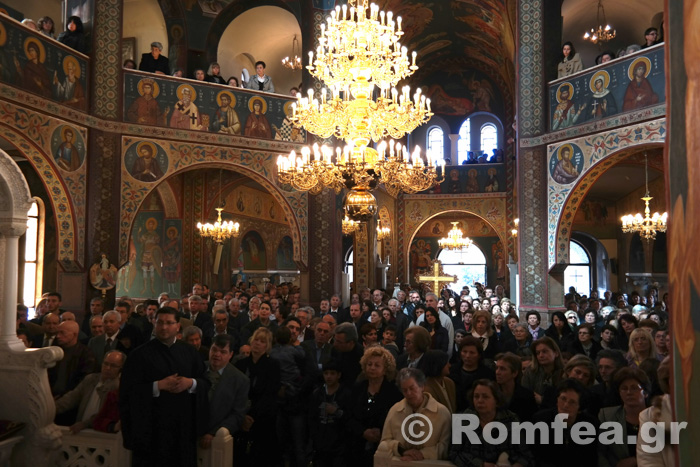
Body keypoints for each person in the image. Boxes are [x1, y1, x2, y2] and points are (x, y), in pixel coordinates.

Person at [119, 306, 210, 466]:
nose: (164, 327)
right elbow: (128, 392)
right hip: (152, 432)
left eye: (169, 323)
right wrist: (157, 386)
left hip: (183, 430)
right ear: (154, 324)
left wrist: (191, 383)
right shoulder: (139, 355)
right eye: (160, 322)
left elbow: (205, 381)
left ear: (178, 326)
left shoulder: (189, 352)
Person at [449, 379, 533, 466]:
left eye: (485, 397)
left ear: (496, 401)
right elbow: (454, 454)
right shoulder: (463, 420)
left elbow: (526, 456)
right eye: (476, 396)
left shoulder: (510, 420)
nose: (480, 401)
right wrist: (482, 464)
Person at [378, 368, 451, 461]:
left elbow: (445, 446)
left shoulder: (441, 412)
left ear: (422, 387)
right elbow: (384, 443)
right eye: (404, 390)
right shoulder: (395, 410)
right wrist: (402, 450)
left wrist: (422, 454)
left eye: (412, 388)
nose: (408, 393)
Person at [346, 346, 402, 466]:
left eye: (377, 365)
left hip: (383, 447)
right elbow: (348, 415)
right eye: (369, 364)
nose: (372, 368)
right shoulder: (358, 388)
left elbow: (397, 420)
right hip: (356, 445)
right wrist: (363, 431)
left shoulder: (393, 392)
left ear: (385, 369)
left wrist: (381, 432)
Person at [234, 328, 281, 466]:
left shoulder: (273, 365)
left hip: (263, 415)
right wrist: (243, 415)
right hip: (242, 413)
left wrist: (252, 416)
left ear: (267, 346)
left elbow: (270, 393)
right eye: (256, 340)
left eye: (262, 341)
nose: (257, 343)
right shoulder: (241, 363)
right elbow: (236, 391)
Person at [532, 379, 599, 467]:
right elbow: (538, 456)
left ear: (580, 407)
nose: (565, 405)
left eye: (572, 402)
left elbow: (590, 459)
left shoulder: (591, 424)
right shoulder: (541, 420)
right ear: (557, 399)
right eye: (563, 399)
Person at [55, 350, 125, 433]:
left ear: (121, 369)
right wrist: (52, 408)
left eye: (113, 366)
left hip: (101, 433)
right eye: (106, 363)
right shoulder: (91, 379)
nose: (108, 368)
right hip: (81, 431)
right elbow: (71, 398)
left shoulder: (118, 386)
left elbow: (104, 413)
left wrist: (85, 424)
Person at [202, 334, 250, 450]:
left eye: (223, 352)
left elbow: (238, 414)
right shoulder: (198, 369)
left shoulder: (240, 380)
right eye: (214, 350)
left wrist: (214, 432)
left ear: (231, 355)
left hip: (219, 439)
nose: (217, 355)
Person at [598, 367, 650, 467]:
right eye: (624, 388)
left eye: (634, 388)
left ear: (646, 393)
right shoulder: (607, 416)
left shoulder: (657, 416)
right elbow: (600, 453)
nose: (629, 392)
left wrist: (636, 460)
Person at [308, 359, 351, 467]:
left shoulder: (346, 394)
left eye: (332, 373)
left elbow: (350, 418)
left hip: (339, 443)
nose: (329, 377)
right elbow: (312, 417)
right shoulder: (317, 393)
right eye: (326, 373)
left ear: (339, 375)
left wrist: (336, 412)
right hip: (320, 442)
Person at [450, 336, 495, 412]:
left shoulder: (488, 374)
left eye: (472, 353)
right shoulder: (452, 371)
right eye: (464, 352)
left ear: (479, 355)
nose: (467, 356)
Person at [521, 337, 564, 408]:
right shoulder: (530, 371)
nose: (540, 355)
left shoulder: (564, 373)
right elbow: (525, 395)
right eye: (538, 353)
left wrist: (542, 400)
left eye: (544, 351)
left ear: (556, 353)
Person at [495, 352, 537, 422]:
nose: (497, 372)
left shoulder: (526, 396)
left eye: (502, 369)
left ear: (514, 373)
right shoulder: (491, 392)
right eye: (497, 368)